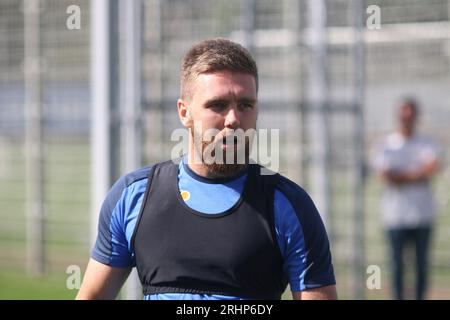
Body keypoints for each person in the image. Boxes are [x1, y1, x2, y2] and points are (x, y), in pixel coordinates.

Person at [76, 38, 337, 300]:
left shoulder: (288, 205)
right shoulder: (134, 197)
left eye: (246, 105)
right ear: (184, 112)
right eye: (218, 105)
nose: (234, 119)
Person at [373, 98, 441, 300]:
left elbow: (431, 168)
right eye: (403, 116)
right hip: (395, 216)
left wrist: (401, 176)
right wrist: (417, 175)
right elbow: (386, 175)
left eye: (410, 116)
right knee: (397, 266)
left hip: (422, 215)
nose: (406, 120)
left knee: (421, 266)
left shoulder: (427, 143)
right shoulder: (386, 144)